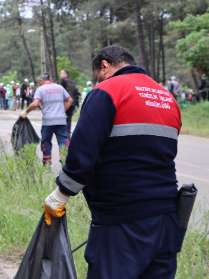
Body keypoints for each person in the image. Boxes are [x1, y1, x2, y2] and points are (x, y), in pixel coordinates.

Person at [44, 46, 184, 279]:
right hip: (168, 218)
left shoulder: (107, 91)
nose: (97, 81)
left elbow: (83, 154)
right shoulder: (165, 97)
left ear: (105, 66)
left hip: (122, 220)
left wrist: (62, 194)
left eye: (97, 75)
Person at [21, 73, 73, 165]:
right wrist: (62, 110)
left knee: (46, 142)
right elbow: (70, 100)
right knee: (63, 141)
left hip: (48, 122)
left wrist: (26, 112)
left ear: (41, 81)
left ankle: (47, 162)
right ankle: (64, 160)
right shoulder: (60, 87)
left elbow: (35, 104)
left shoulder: (40, 89)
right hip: (61, 120)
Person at [60, 69, 78, 138]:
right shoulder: (72, 82)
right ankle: (68, 132)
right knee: (69, 118)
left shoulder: (64, 81)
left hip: (66, 103)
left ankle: (63, 133)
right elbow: (75, 93)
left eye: (61, 73)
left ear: (65, 74)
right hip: (72, 103)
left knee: (62, 118)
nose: (60, 75)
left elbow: (61, 92)